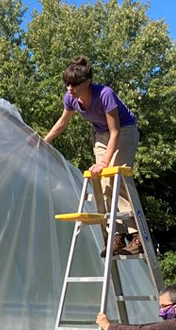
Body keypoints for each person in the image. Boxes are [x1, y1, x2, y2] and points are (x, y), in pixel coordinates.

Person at [41, 56, 142, 255]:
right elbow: (63, 122)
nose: (69, 88)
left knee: (115, 178)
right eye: (67, 83)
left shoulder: (105, 94)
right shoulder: (70, 98)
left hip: (124, 131)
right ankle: (116, 236)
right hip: (100, 134)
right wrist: (43, 141)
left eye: (74, 84)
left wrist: (105, 162)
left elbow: (115, 131)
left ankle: (137, 235)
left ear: (87, 82)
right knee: (102, 183)